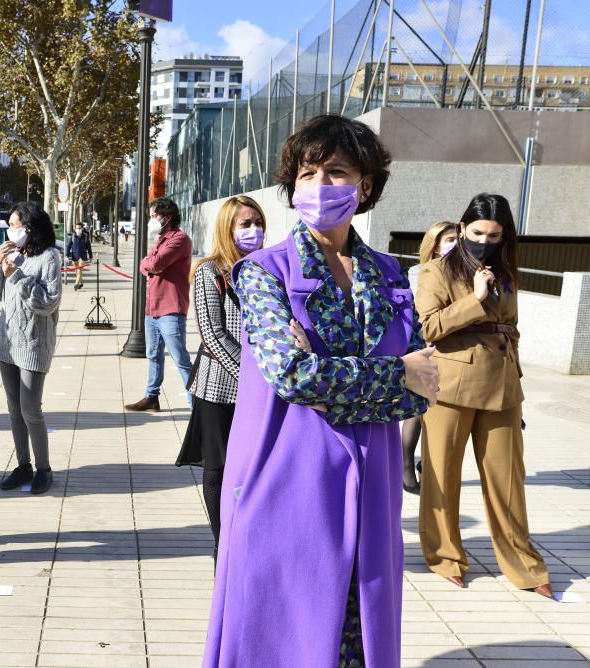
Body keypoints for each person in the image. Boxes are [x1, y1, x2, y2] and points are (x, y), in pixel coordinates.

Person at [204, 114, 438, 668]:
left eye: (336, 172)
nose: (320, 186)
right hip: (287, 482)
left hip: (372, 486)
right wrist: (391, 373)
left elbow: (424, 385)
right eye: (308, 174)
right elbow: (290, 375)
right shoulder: (265, 273)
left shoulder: (388, 275)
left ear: (365, 185)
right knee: (280, 637)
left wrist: (337, 372)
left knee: (357, 639)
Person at [416, 193, 553, 599]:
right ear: (462, 229)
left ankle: (524, 564)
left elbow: (511, 327)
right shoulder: (435, 271)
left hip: (504, 385)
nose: (484, 241)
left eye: (494, 235)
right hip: (452, 385)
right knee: (442, 475)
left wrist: (517, 376)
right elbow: (429, 328)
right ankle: (445, 556)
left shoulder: (507, 271)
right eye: (477, 232)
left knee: (508, 479)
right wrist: (474, 300)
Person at [175, 195, 265, 562]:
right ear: (228, 228)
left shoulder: (266, 267)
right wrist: (252, 378)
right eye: (245, 224)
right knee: (218, 468)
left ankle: (249, 535)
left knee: (254, 469)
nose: (254, 230)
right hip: (221, 386)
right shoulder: (208, 272)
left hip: (264, 387)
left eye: (258, 222)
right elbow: (212, 333)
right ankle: (222, 544)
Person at [0, 202, 62, 495]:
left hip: (33, 342)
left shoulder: (49, 257)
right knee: (14, 408)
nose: (10, 230)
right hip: (7, 342)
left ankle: (44, 468)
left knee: (31, 408)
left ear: (29, 228)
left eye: (13, 225)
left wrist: (16, 274)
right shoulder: (12, 254)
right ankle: (23, 465)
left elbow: (47, 302)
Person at [401, 220, 458, 494]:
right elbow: (419, 313)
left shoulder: (467, 273)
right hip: (424, 346)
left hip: (455, 353)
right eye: (448, 238)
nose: (454, 243)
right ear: (434, 244)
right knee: (418, 409)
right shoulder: (418, 272)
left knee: (438, 411)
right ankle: (405, 468)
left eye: (458, 237)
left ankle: (427, 464)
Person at [124, 197, 193, 412]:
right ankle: (151, 397)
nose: (152, 220)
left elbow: (154, 264)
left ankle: (198, 405)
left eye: (155, 216)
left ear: (167, 216)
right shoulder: (161, 239)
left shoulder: (179, 239)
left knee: (180, 358)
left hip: (171, 309)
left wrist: (147, 264)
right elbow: (147, 266)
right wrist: (147, 265)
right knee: (153, 355)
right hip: (152, 308)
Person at [65, 220, 93, 289]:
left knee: (79, 270)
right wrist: (66, 255)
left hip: (83, 257)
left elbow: (89, 247)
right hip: (74, 256)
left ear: (82, 229)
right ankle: (81, 283)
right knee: (77, 272)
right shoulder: (73, 236)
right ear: (75, 228)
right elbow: (68, 246)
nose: (78, 229)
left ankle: (76, 284)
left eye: (79, 228)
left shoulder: (85, 237)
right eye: (77, 228)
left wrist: (91, 256)